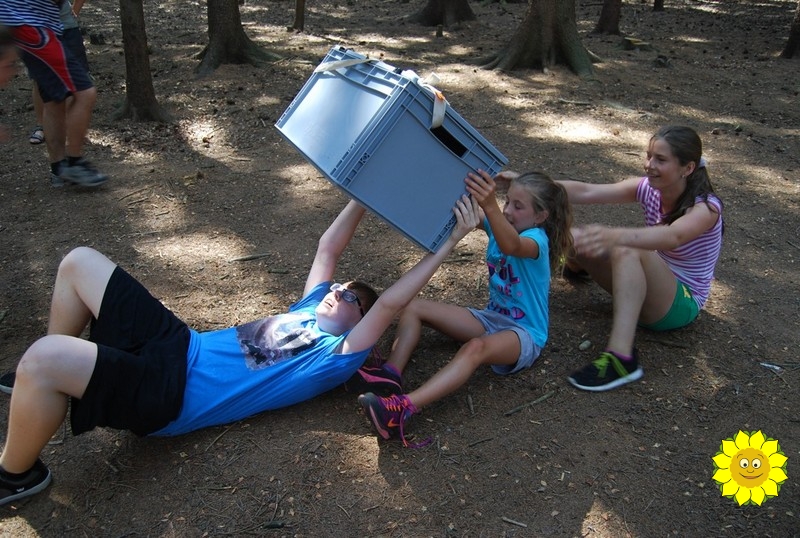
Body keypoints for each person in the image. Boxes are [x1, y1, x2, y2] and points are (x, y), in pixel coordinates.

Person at [0, 195, 482, 506]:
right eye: (340, 286)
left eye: (352, 298)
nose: (338, 291)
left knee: (43, 358)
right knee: (78, 262)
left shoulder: (336, 353)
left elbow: (393, 302)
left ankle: (16, 474)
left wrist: (451, 240)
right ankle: (45, 386)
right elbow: (327, 249)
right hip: (178, 343)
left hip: (172, 394)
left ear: (363, 325)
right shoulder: (308, 307)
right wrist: (364, 189)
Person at [357, 169, 573, 447]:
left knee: (475, 348)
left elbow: (512, 244)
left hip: (525, 333)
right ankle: (389, 375)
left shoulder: (536, 239)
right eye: (507, 201)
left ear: (540, 216)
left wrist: (490, 204)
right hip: (491, 318)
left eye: (518, 206)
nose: (508, 210)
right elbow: (460, 208)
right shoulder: (500, 222)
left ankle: (401, 410)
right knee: (413, 307)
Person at [561, 125, 723, 392]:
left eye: (660, 159)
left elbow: (673, 237)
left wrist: (614, 236)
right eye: (649, 156)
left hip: (680, 303)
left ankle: (621, 358)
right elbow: (587, 191)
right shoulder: (649, 188)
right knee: (574, 238)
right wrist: (528, 185)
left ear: (688, 168)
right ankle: (579, 265)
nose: (649, 165)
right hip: (650, 286)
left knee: (628, 248)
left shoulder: (706, 208)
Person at [0, 0, 108, 187]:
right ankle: (75, 164)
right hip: (31, 26)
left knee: (54, 97)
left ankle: (60, 168)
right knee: (85, 92)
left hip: (23, 23)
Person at [29, 0, 88, 146]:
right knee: (39, 80)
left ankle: (69, 126)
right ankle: (41, 126)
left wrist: (75, 10)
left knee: (76, 80)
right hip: (38, 30)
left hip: (68, 28)